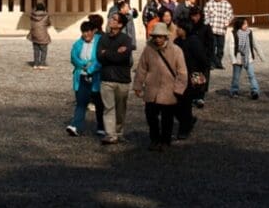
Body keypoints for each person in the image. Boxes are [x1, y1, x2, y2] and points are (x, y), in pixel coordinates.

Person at [134, 21, 188, 151]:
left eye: (160, 36)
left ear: (165, 36)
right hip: (152, 88)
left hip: (168, 89)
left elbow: (182, 72)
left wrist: (178, 89)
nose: (157, 39)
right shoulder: (148, 50)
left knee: (167, 119)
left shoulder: (176, 50)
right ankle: (154, 139)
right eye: (155, 36)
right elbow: (141, 68)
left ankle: (165, 141)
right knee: (151, 117)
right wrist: (138, 85)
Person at [97, 11, 133, 145]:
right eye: (111, 18)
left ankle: (119, 132)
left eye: (115, 19)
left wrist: (108, 53)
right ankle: (110, 134)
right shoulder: (103, 38)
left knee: (120, 109)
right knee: (108, 108)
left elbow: (123, 57)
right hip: (106, 78)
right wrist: (114, 53)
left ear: (120, 24)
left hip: (122, 79)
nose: (111, 20)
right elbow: (99, 56)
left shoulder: (126, 39)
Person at [66, 21, 102, 136]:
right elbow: (73, 57)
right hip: (82, 76)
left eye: (88, 31)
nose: (85, 34)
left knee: (99, 103)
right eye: (83, 32)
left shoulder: (100, 41)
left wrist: (91, 68)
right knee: (81, 102)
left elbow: (101, 58)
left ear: (93, 31)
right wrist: (84, 65)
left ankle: (102, 126)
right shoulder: (78, 43)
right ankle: (76, 125)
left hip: (96, 77)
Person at [173, 22, 208, 139]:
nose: (177, 29)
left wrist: (199, 74)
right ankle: (188, 121)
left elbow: (203, 59)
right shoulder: (176, 42)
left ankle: (184, 129)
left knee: (185, 104)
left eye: (179, 27)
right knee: (175, 104)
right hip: (178, 76)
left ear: (184, 29)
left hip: (190, 77)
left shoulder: (194, 41)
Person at [225, 16, 265, 99]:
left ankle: (255, 91)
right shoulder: (234, 34)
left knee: (252, 75)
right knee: (236, 77)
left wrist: (261, 56)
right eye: (244, 24)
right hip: (238, 59)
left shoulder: (250, 33)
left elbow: (255, 44)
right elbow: (231, 47)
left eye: (247, 23)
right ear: (239, 25)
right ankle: (234, 90)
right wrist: (233, 60)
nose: (246, 25)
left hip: (248, 58)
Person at [188, 6, 213, 107]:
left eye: (197, 15)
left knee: (203, 76)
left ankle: (200, 97)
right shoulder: (189, 27)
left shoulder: (206, 27)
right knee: (194, 76)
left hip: (203, 56)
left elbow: (210, 43)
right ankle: (195, 96)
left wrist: (208, 56)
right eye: (193, 15)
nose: (195, 18)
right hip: (192, 56)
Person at [203, 0, 234, 69]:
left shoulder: (226, 4)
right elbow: (205, 15)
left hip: (221, 29)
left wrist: (228, 21)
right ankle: (212, 63)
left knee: (220, 48)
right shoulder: (209, 3)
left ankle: (218, 62)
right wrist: (207, 25)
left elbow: (230, 15)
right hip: (212, 30)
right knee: (212, 47)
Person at [27, 1, 51, 69]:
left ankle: (36, 64)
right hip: (43, 35)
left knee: (36, 50)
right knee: (44, 50)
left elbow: (31, 15)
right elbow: (49, 23)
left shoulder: (32, 15)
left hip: (34, 35)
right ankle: (42, 64)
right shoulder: (46, 15)